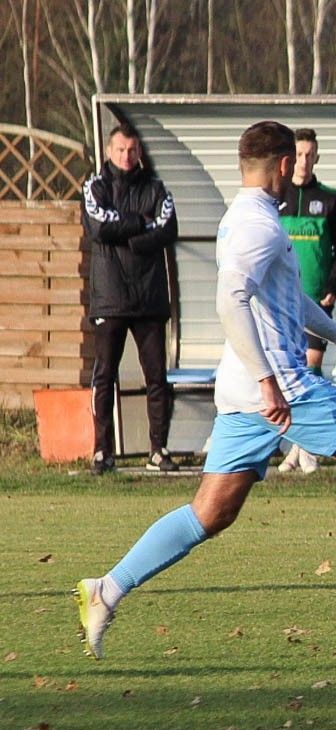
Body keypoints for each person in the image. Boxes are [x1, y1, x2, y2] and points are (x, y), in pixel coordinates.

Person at [73, 121, 336, 661]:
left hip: (244, 390)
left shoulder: (246, 219)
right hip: (283, 387)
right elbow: (231, 301)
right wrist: (269, 381)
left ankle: (105, 590)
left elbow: (289, 303)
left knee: (210, 512)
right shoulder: (261, 227)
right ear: (282, 166)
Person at [82, 123, 180, 475]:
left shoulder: (156, 188)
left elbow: (168, 228)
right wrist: (140, 222)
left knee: (156, 377)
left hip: (150, 298)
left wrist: (131, 236)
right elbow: (99, 226)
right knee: (104, 376)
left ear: (140, 152)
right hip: (109, 297)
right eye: (121, 150)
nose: (127, 156)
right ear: (109, 152)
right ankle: (101, 451)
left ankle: (158, 448)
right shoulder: (95, 186)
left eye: (132, 150)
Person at [277, 128, 336, 474]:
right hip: (280, 300)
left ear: (317, 157)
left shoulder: (331, 199)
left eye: (311, 155)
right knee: (282, 370)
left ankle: (305, 446)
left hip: (315, 299)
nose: (304, 161)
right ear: (290, 157)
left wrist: (332, 284)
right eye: (300, 154)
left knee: (309, 369)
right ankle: (293, 444)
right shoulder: (275, 195)